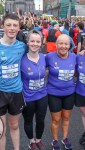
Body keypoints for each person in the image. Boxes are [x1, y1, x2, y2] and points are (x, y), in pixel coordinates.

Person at [0, 13, 26, 150]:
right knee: (1, 131)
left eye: (15, 25)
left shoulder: (22, 46)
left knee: (14, 126)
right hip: (0, 93)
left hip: (16, 92)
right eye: (8, 25)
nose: (11, 28)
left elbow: (36, 54)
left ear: (18, 28)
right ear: (2, 26)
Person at [46, 34, 76, 150]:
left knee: (67, 118)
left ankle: (65, 138)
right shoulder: (49, 57)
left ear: (69, 45)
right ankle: (55, 140)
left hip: (69, 93)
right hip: (54, 93)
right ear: (56, 44)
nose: (63, 46)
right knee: (56, 119)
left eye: (66, 44)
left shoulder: (74, 57)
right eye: (61, 43)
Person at [21, 30, 48, 150]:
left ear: (41, 43)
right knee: (28, 120)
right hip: (27, 97)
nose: (35, 44)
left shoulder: (44, 57)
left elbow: (63, 55)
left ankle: (38, 140)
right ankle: (31, 141)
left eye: (38, 41)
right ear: (28, 42)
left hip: (42, 95)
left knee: (41, 120)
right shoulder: (21, 59)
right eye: (32, 41)